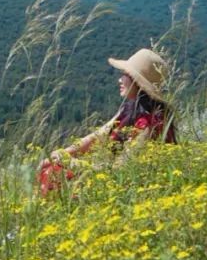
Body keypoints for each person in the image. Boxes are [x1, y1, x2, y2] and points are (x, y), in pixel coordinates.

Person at [38, 48, 176, 194]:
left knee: (54, 174)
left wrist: (70, 162)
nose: (120, 79)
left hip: (125, 185)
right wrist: (61, 153)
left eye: (125, 75)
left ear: (138, 82)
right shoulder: (130, 108)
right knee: (50, 167)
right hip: (107, 174)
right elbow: (98, 136)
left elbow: (121, 169)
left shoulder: (148, 124)